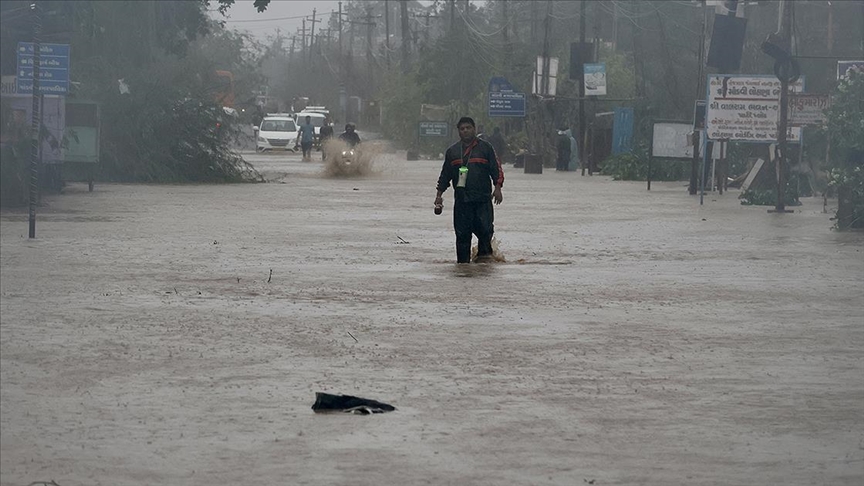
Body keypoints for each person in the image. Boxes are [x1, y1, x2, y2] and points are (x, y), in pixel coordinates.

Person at [434, 117, 504, 263]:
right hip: (462, 202)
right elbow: (445, 175)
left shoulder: (486, 148)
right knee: (462, 237)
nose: (465, 130)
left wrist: (498, 187)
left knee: (485, 233)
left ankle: (484, 266)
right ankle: (463, 268)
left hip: (482, 201)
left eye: (468, 127)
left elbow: (496, 169)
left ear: (474, 129)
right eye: (462, 128)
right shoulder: (452, 152)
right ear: (458, 131)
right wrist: (439, 196)